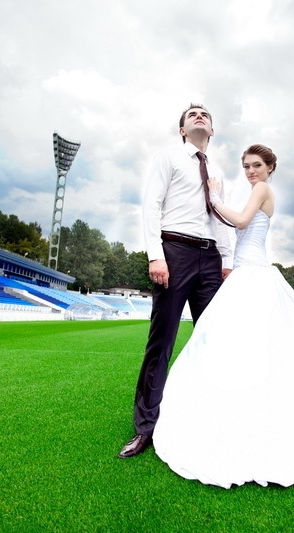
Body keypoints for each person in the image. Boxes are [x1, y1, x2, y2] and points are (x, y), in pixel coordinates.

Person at [152, 144, 294, 488]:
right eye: (247, 166)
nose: (251, 171)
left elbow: (239, 220)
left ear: (269, 168)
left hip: (254, 276)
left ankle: (253, 423)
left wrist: (214, 197)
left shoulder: (263, 190)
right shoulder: (257, 191)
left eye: (256, 165)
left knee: (242, 347)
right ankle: (238, 415)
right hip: (242, 274)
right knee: (235, 349)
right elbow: (236, 227)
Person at [118, 104, 233, 459]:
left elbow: (220, 216)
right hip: (175, 251)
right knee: (162, 343)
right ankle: (145, 429)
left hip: (210, 256)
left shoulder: (216, 170)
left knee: (213, 341)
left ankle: (208, 416)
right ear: (182, 129)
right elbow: (151, 205)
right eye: (192, 115)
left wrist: (226, 261)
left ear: (212, 131)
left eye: (205, 116)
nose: (199, 118)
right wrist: (156, 254)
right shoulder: (168, 157)